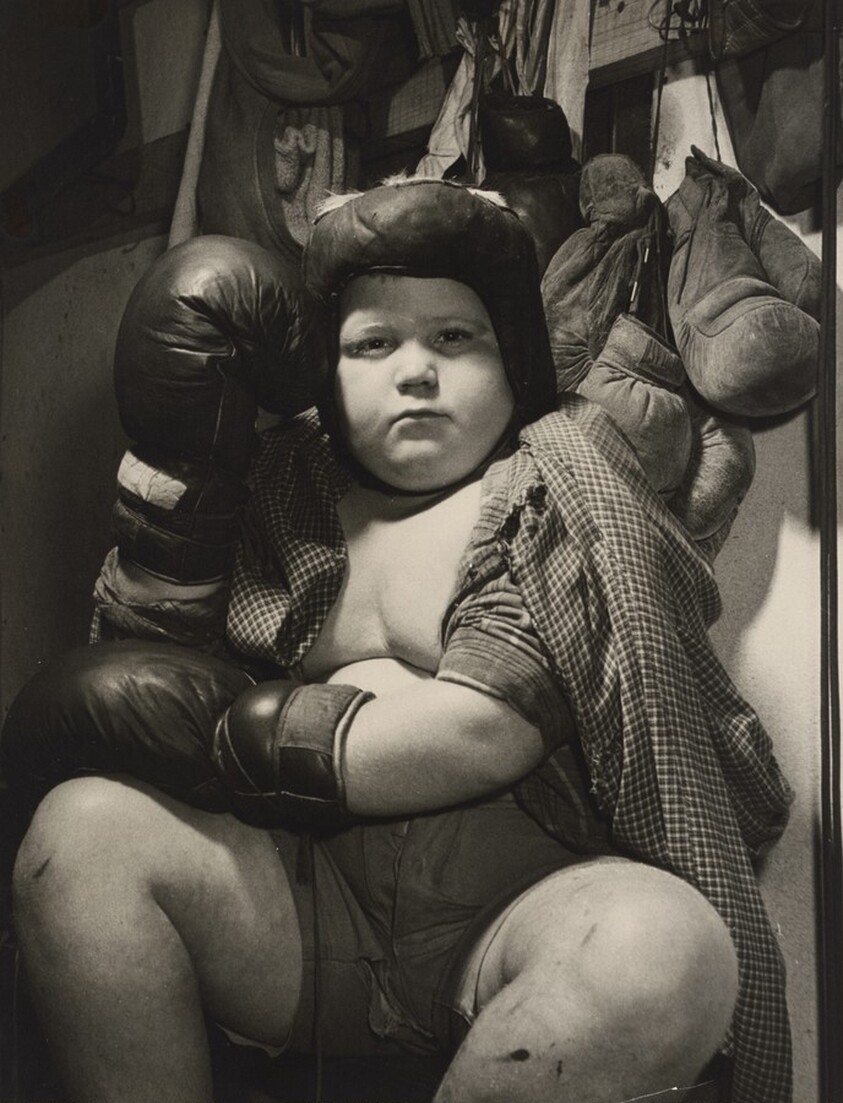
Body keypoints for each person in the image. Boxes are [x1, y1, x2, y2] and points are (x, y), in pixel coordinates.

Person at [2, 178, 792, 1103]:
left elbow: (486, 728)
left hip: (514, 905)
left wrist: (248, 737)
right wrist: (177, 497)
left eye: (453, 338)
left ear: (513, 363)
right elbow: (144, 669)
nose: (414, 369)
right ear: (322, 377)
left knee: (665, 948)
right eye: (372, 343)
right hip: (302, 904)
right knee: (81, 833)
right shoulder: (282, 493)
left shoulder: (548, 487)